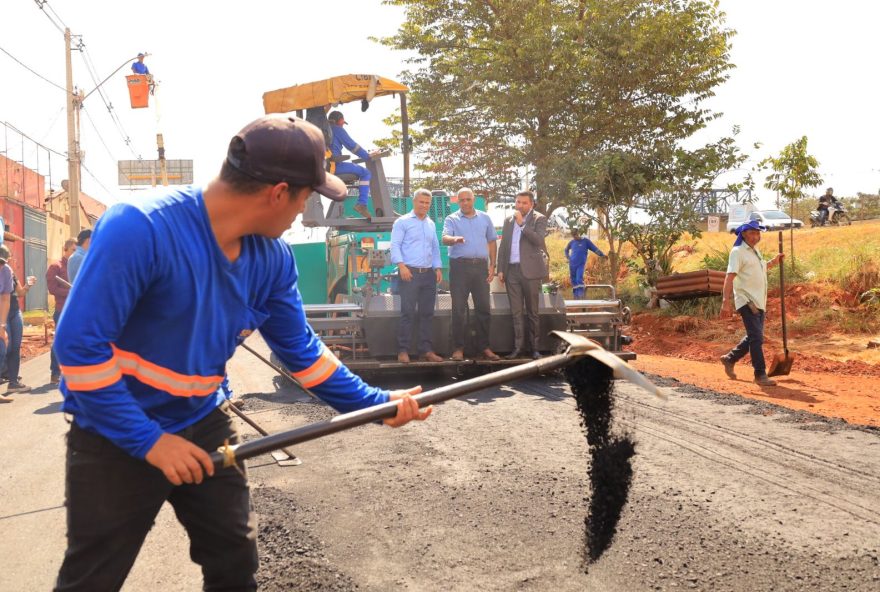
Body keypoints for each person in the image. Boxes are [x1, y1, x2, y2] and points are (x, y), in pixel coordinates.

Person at [52, 115, 432, 591]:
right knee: (92, 577)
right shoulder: (141, 228)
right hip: (112, 429)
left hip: (202, 419)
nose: (303, 211)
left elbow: (302, 354)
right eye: (306, 197)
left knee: (235, 561)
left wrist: (375, 404)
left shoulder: (271, 260)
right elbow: (79, 350)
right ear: (278, 193)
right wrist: (149, 442)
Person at [719, 220, 784, 386]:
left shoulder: (755, 251)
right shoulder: (738, 252)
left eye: (758, 233)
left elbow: (760, 269)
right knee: (757, 337)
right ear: (744, 234)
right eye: (753, 233)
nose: (756, 236)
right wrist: (726, 301)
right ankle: (760, 374)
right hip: (746, 299)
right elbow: (730, 277)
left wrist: (774, 262)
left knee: (754, 336)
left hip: (759, 300)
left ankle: (730, 358)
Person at [442, 187, 500, 361]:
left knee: (484, 308)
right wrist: (455, 239)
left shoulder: (485, 218)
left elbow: (492, 242)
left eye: (468, 199)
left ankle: (485, 347)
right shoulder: (451, 219)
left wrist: (492, 266)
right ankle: (458, 348)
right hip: (459, 267)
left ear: (473, 199)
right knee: (458, 309)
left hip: (481, 267)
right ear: (457, 202)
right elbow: (444, 238)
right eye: (462, 200)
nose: (465, 203)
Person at [391, 188, 443, 364]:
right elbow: (395, 245)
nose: (424, 205)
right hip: (409, 273)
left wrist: (438, 268)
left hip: (428, 274)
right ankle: (403, 350)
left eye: (427, 203)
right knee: (407, 313)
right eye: (421, 202)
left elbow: (435, 248)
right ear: (414, 202)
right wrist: (401, 266)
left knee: (427, 313)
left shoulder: (431, 224)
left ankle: (426, 350)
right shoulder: (402, 222)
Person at [496, 190, 549, 360]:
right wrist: (501, 269)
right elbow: (503, 246)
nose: (520, 205)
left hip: (531, 272)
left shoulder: (539, 219)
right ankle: (518, 348)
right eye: (518, 202)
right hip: (512, 271)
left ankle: (534, 349)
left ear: (531, 204)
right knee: (516, 312)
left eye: (524, 203)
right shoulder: (508, 220)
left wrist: (522, 225)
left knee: (533, 312)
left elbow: (539, 241)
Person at [328, 110, 378, 220]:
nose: (342, 125)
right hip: (334, 166)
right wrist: (367, 156)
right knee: (365, 173)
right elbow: (353, 147)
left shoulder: (322, 130)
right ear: (340, 121)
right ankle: (361, 204)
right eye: (342, 122)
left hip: (324, 168)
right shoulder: (337, 129)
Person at [0, 245, 33, 395]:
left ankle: (13, 381)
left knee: (15, 347)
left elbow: (19, 293)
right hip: (2, 313)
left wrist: (28, 285)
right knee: (5, 347)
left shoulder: (9, 272)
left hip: (14, 311)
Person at [46, 238, 75, 384]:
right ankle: (55, 373)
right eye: (73, 251)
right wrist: (71, 292)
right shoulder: (55, 266)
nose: (75, 254)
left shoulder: (80, 265)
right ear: (65, 249)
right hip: (62, 310)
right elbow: (52, 289)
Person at [564, 228, 606, 299]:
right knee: (573, 280)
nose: (575, 237)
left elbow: (594, 249)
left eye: (576, 235)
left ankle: (581, 295)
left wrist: (602, 255)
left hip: (580, 264)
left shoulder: (586, 241)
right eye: (574, 236)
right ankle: (576, 297)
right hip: (572, 264)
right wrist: (568, 257)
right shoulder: (572, 242)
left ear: (579, 233)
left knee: (579, 279)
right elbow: (566, 250)